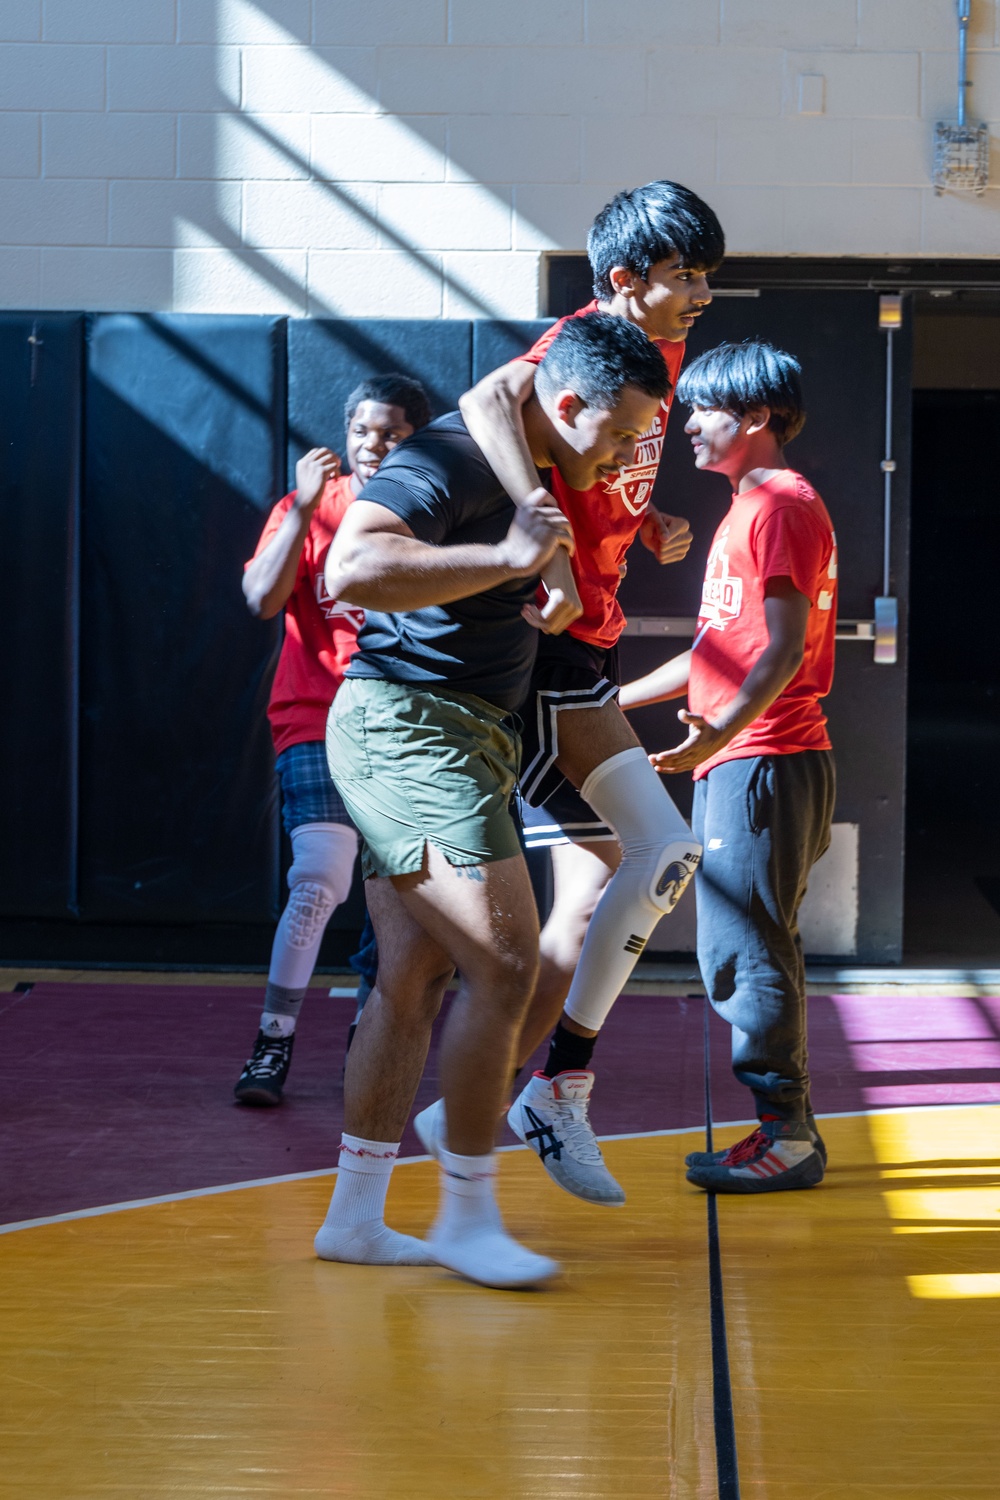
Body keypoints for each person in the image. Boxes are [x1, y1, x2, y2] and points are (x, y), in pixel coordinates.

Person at [312, 313, 670, 1289]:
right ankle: (467, 1211)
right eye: (624, 431)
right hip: (411, 732)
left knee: (416, 974)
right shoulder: (457, 461)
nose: (633, 449)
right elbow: (353, 566)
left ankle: (354, 1215)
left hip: (456, 734)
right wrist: (510, 559)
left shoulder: (540, 466)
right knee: (506, 962)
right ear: (565, 405)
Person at [413, 182, 724, 1208]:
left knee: (607, 890)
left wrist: (647, 521)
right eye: (688, 276)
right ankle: (553, 1093)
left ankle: (498, 1092)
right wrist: (540, 534)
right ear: (627, 280)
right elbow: (485, 401)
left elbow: (608, 465)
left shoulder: (655, 354)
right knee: (660, 851)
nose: (703, 295)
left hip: (587, 647)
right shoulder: (578, 338)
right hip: (543, 654)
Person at [618, 340, 838, 1193]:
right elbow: (720, 647)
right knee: (740, 948)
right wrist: (616, 702)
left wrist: (717, 738)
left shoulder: (779, 505)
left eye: (703, 413)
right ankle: (785, 1128)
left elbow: (781, 652)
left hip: (766, 759)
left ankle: (789, 1136)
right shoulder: (750, 506)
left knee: (748, 952)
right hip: (749, 759)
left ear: (755, 418)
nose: (686, 431)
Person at [234, 375, 431, 1106]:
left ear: (416, 438)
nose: (374, 444)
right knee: (318, 877)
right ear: (344, 436)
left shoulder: (430, 513)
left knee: (401, 897)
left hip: (401, 725)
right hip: (316, 715)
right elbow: (259, 599)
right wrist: (303, 509)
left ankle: (369, 1033)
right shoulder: (310, 508)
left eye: (392, 432)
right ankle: (273, 1041)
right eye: (363, 431)